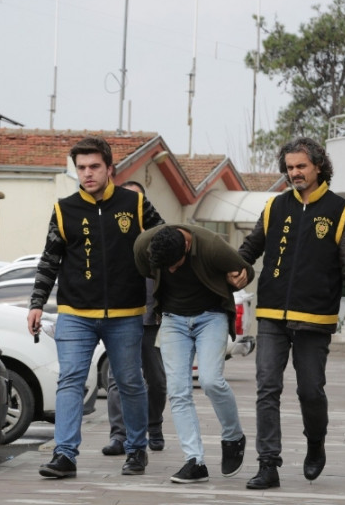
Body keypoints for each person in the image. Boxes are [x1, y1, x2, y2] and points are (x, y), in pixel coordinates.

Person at [233, 137, 345, 490]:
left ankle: (315, 442)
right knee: (267, 387)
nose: (294, 173)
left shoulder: (341, 211)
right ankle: (268, 464)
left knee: (310, 390)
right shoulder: (275, 206)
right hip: (271, 313)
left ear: (318, 166)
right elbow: (250, 247)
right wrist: (238, 266)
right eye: (290, 167)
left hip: (315, 317)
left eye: (301, 166)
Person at [28, 136, 163, 479]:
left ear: (109, 168)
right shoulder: (64, 209)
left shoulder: (135, 204)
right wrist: (36, 303)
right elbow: (50, 260)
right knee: (70, 381)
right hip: (75, 314)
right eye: (81, 168)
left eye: (94, 167)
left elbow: (164, 243)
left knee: (130, 382)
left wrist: (166, 294)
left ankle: (136, 449)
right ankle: (64, 454)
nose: (87, 173)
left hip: (125, 314)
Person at [134, 224, 254, 484]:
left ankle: (233, 437)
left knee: (211, 381)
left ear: (187, 246)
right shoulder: (144, 245)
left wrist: (238, 279)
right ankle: (194, 461)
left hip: (211, 317)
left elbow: (247, 271)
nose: (171, 271)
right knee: (178, 390)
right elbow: (144, 270)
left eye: (175, 265)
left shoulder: (212, 246)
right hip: (172, 320)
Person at [102, 180, 167, 456]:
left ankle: (154, 425)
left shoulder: (157, 238)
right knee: (117, 380)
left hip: (150, 319)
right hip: (119, 318)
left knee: (157, 380)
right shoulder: (110, 236)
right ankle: (119, 435)